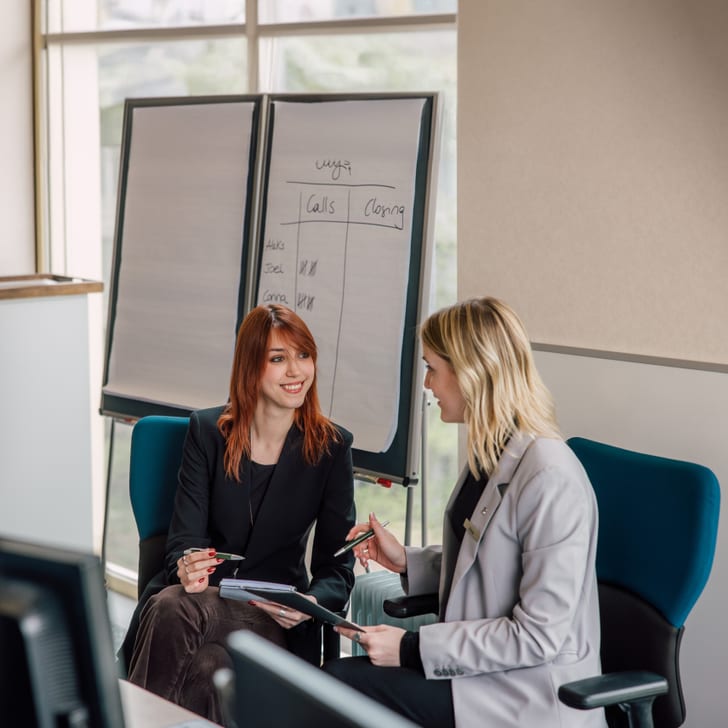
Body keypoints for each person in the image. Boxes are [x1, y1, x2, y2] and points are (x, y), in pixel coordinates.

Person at [324, 296, 607, 728]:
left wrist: (411, 649)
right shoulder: (492, 455)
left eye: (432, 368)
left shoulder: (551, 477)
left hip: (526, 694)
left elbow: (538, 637)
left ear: (471, 373)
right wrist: (407, 560)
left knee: (336, 690)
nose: (426, 384)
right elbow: (488, 568)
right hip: (482, 675)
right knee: (333, 685)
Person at [125, 304, 356, 724]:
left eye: (304, 355)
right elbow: (184, 540)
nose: (296, 371)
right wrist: (188, 565)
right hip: (201, 602)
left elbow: (337, 569)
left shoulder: (331, 447)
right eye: (278, 358)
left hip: (273, 618)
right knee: (208, 668)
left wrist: (310, 603)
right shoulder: (208, 432)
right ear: (250, 366)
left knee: (174, 608)